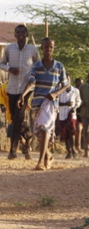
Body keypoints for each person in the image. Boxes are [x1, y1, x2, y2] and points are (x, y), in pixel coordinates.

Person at [18, 37, 68, 171]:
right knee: (39, 133)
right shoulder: (37, 66)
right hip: (38, 103)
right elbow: (31, 82)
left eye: (51, 47)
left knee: (45, 129)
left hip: (51, 103)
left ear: (53, 49)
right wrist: (23, 95)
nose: (48, 49)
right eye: (46, 47)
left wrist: (55, 94)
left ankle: (40, 162)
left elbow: (65, 85)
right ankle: (48, 155)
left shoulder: (59, 66)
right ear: (42, 48)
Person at [0, 24, 40, 160]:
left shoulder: (32, 50)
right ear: (15, 35)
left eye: (23, 32)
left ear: (27, 35)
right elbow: (1, 63)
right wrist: (10, 69)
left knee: (19, 116)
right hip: (11, 89)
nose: (21, 34)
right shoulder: (9, 49)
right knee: (15, 119)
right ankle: (27, 137)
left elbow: (38, 65)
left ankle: (13, 151)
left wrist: (34, 79)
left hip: (26, 89)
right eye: (19, 32)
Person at [58, 75, 82, 159]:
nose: (66, 81)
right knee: (65, 135)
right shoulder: (59, 91)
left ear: (70, 79)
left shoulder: (75, 91)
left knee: (72, 132)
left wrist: (74, 108)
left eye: (67, 79)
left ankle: (73, 149)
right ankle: (69, 151)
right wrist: (65, 104)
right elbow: (56, 103)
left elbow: (78, 101)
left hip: (71, 114)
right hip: (62, 115)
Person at [74, 77, 84, 154]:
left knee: (80, 130)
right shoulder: (73, 92)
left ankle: (79, 146)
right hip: (74, 113)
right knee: (77, 129)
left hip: (83, 114)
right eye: (79, 83)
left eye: (81, 83)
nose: (80, 85)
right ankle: (77, 147)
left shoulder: (84, 93)